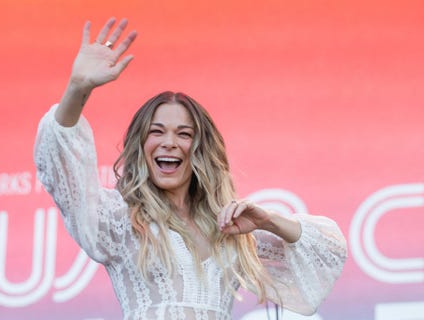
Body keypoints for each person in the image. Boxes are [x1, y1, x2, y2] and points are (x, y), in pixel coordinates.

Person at [34, 17, 347, 320]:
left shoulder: (231, 230)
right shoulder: (121, 218)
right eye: (156, 132)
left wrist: (268, 220)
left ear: (199, 150)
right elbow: (63, 168)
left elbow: (326, 252)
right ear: (141, 146)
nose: (169, 143)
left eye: (183, 134)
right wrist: (77, 87)